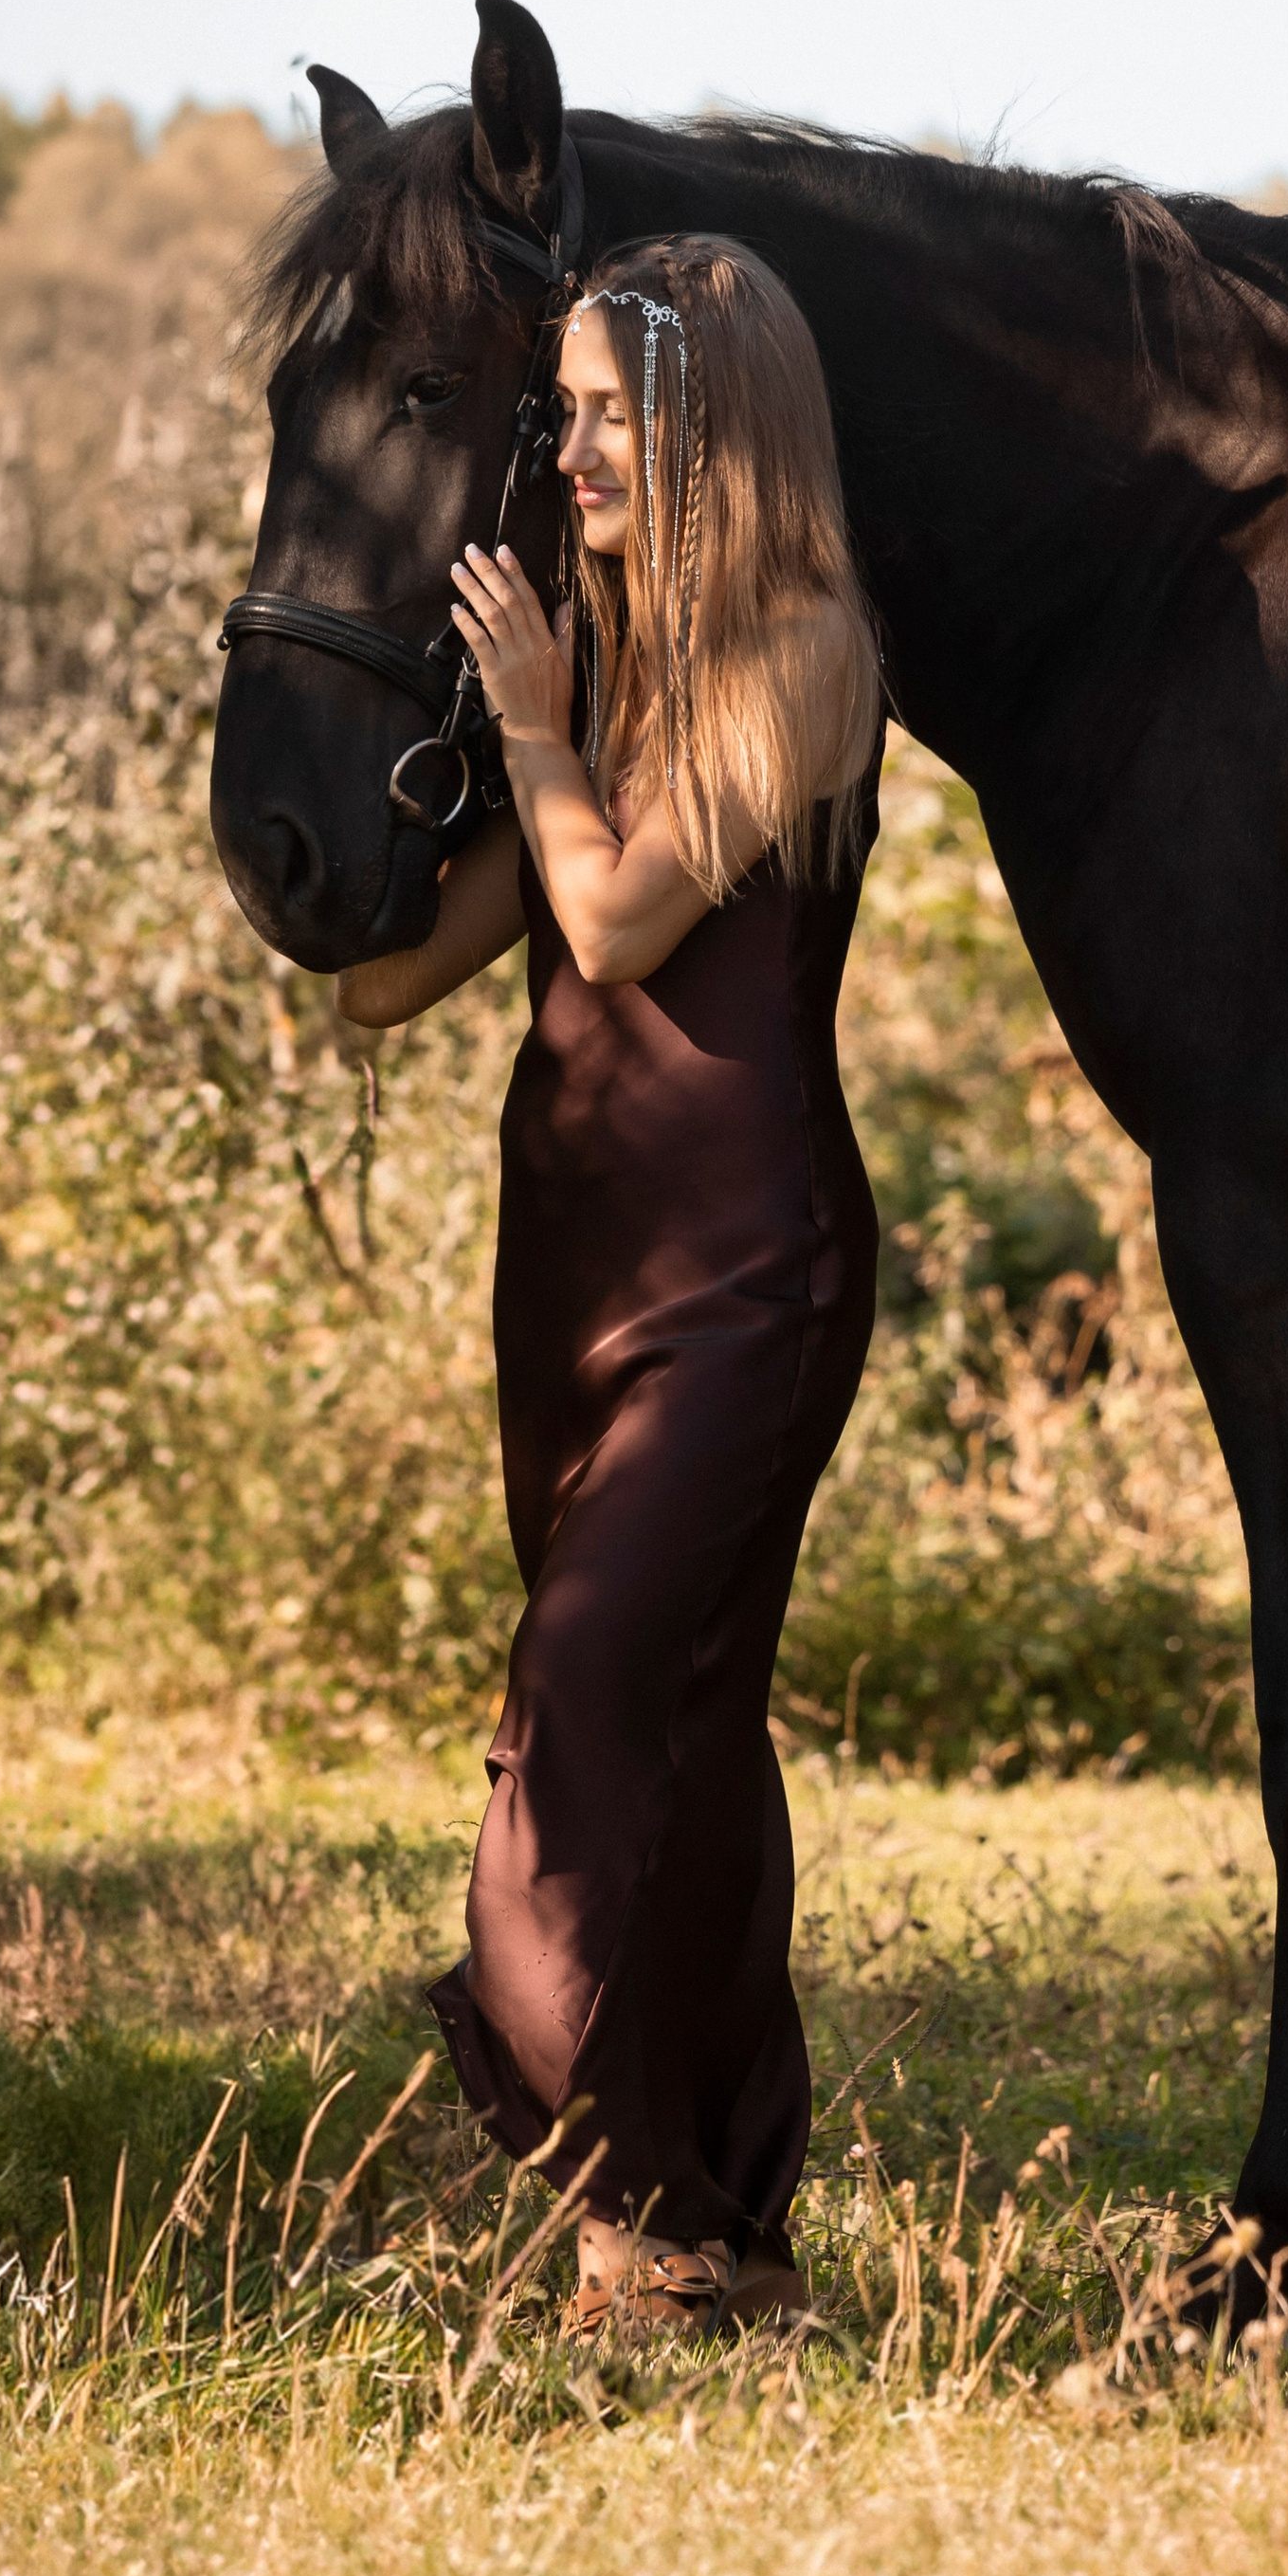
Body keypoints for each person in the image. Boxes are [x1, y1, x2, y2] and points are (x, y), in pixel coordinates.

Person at [336, 235, 882, 2338]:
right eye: (555, 414)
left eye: (596, 414)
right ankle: (706, 2244)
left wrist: (539, 724)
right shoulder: (603, 684)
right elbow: (398, 979)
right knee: (689, 1730)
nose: (559, 452)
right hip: (567, 1265)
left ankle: (622, 2197)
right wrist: (363, 778)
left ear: (710, 430)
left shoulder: (814, 651)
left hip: (747, 1268)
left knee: (577, 1715)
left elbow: (623, 917)